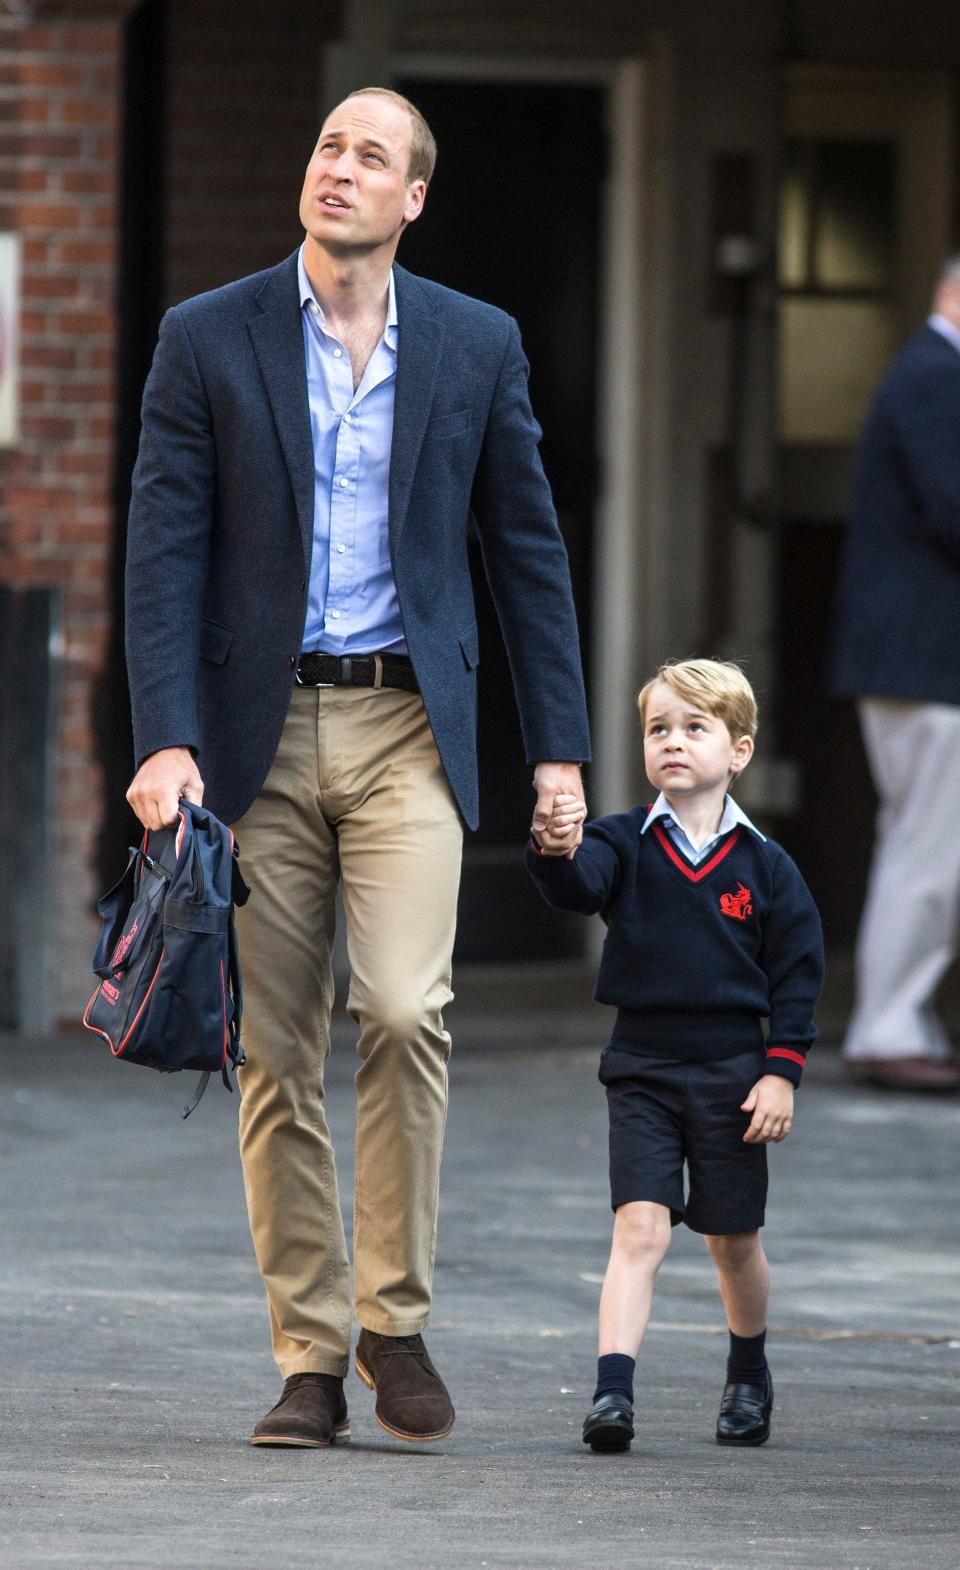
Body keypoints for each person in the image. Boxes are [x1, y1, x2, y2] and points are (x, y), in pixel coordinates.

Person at [124, 87, 589, 1448]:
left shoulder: (477, 343)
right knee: (275, 1052)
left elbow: (528, 552)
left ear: (414, 198)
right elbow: (164, 551)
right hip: (252, 736)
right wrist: (164, 737)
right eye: (328, 145)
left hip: (405, 729)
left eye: (370, 156)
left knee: (401, 1007)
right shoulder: (206, 337)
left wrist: (558, 749)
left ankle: (395, 1314)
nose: (339, 168)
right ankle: (312, 1355)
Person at [526, 659, 823, 1453]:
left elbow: (797, 977)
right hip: (643, 1070)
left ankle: (749, 1372)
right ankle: (612, 1394)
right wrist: (556, 846)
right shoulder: (623, 840)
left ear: (741, 752)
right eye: (659, 728)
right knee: (640, 1229)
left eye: (696, 728)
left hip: (733, 1076)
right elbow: (578, 884)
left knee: (733, 1241)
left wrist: (781, 1071)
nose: (674, 743)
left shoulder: (767, 867)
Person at [830, 256, 960, 1093]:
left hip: (917, 657)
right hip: (925, 658)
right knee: (932, 848)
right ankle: (886, 1026)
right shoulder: (934, 376)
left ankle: (896, 1018)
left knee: (922, 842)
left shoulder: (928, 372)